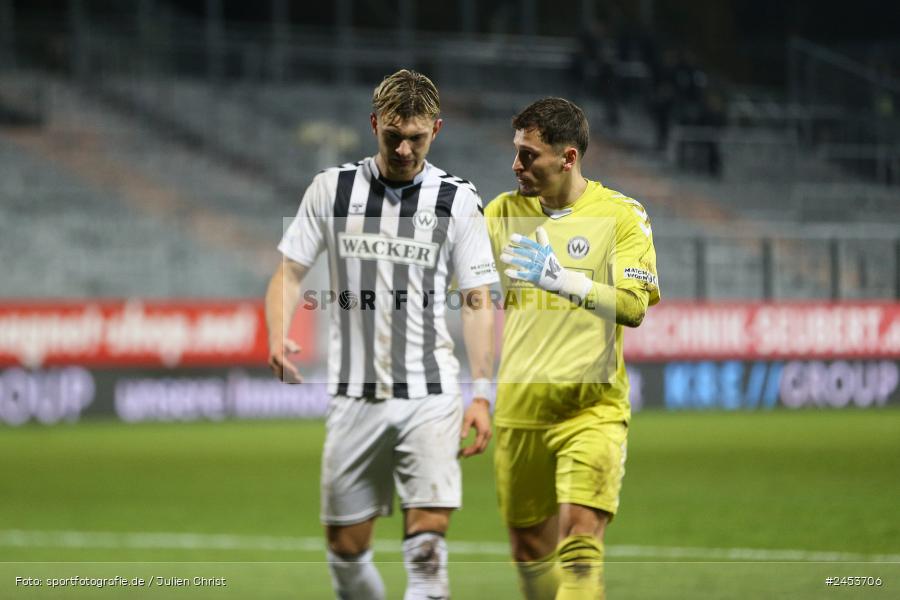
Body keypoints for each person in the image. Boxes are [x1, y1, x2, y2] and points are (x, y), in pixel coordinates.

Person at [265, 69, 498, 600]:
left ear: (436, 130)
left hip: (431, 395)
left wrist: (482, 392)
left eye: (416, 137)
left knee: (426, 556)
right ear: (374, 125)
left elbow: (479, 298)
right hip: (354, 398)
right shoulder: (331, 188)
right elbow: (288, 273)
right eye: (393, 135)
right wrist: (277, 332)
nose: (403, 148)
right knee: (346, 557)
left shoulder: (458, 198)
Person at [484, 97, 660, 599]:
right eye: (516, 152)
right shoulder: (501, 213)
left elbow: (633, 305)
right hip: (519, 410)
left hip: (592, 407)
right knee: (528, 552)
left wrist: (564, 281)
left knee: (581, 548)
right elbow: (463, 288)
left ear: (568, 158)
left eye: (528, 155)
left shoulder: (621, 216)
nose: (515, 165)